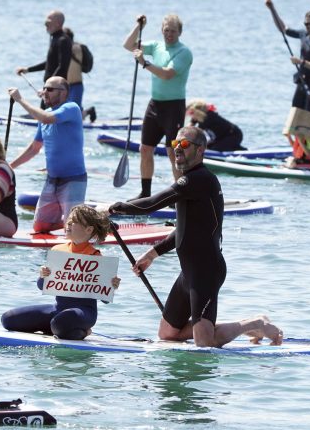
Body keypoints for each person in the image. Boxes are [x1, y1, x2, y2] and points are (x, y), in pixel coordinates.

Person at [108, 126, 284, 348]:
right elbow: (183, 230)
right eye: (175, 144)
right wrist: (152, 254)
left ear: (200, 150)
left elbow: (151, 204)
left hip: (206, 273)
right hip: (188, 273)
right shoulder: (190, 182)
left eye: (184, 144)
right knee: (167, 334)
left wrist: (113, 208)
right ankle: (228, 326)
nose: (177, 149)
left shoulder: (197, 180)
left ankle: (253, 323)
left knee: (205, 342)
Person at [1, 205, 121, 340]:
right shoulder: (58, 250)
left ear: (88, 229)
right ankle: (54, 328)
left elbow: (105, 299)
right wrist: (43, 276)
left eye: (74, 222)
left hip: (84, 313)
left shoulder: (95, 258)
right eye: (68, 221)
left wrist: (112, 286)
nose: (68, 224)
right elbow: (42, 286)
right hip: (58, 310)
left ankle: (83, 331)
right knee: (8, 319)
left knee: (60, 323)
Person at [122, 14, 193, 197]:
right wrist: (139, 26)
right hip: (155, 105)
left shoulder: (183, 52)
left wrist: (144, 63)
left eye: (173, 31)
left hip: (174, 107)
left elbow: (167, 74)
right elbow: (128, 45)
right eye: (166, 30)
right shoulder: (156, 46)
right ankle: (145, 193)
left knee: (172, 152)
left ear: (180, 32)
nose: (169, 34)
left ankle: (179, 194)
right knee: (145, 149)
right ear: (162, 30)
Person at [9, 77, 86, 234]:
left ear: (64, 93)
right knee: (39, 228)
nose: (44, 92)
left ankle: (82, 224)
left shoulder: (71, 108)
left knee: (73, 232)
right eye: (44, 89)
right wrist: (9, 167)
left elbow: (46, 118)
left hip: (73, 180)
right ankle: (73, 223)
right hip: (51, 181)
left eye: (49, 89)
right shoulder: (44, 115)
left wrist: (20, 99)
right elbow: (34, 148)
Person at [265, 0, 310, 113]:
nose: (308, 26)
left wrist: (301, 62)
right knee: (295, 112)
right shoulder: (303, 34)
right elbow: (283, 29)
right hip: (302, 80)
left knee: (308, 115)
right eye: (306, 24)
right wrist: (272, 9)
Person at [15, 10, 73, 99]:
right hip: (51, 89)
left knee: (46, 113)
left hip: (56, 91)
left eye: (48, 23)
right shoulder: (55, 38)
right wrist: (28, 70)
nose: (45, 25)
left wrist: (49, 88)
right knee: (43, 112)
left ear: (57, 23)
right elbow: (50, 63)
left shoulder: (63, 40)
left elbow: (62, 67)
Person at [63, 26, 96, 120]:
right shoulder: (61, 49)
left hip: (76, 85)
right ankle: (88, 111)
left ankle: (89, 111)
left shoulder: (77, 48)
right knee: (68, 113)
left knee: (75, 116)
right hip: (64, 87)